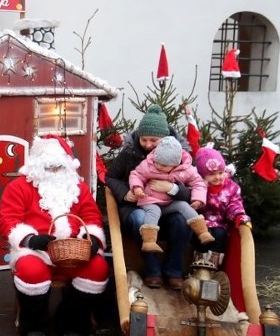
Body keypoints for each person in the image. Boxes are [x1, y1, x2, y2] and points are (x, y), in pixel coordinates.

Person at [0, 135, 109, 336]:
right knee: (31, 270)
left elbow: (92, 217)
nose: (55, 173)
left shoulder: (78, 188)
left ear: (67, 166)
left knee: (98, 268)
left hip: (75, 249)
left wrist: (92, 239)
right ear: (37, 166)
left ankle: (72, 321)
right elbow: (8, 219)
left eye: (59, 168)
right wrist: (30, 239)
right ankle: (34, 323)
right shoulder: (19, 187)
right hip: (35, 250)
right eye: (49, 168)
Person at [104, 104, 194, 290]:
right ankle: (153, 269)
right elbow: (110, 176)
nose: (147, 145)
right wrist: (124, 193)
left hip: (168, 206)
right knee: (140, 219)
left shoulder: (178, 154)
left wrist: (172, 188)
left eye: (154, 140)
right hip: (137, 205)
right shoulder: (130, 152)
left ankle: (174, 270)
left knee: (182, 221)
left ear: (165, 138)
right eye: (144, 139)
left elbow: (194, 187)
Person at [128, 136, 214, 253]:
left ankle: (203, 232)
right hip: (150, 200)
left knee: (183, 205)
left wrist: (198, 199)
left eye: (163, 165)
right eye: (157, 163)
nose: (158, 166)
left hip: (170, 202)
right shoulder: (148, 165)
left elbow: (198, 183)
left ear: (176, 164)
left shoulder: (186, 170)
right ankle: (149, 241)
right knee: (154, 211)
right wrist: (137, 187)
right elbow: (136, 174)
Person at [193, 145, 251, 266]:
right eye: (212, 174)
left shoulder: (231, 187)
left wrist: (239, 215)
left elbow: (234, 203)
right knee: (201, 235)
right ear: (203, 175)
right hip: (200, 222)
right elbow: (194, 204)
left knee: (220, 234)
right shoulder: (198, 186)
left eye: (221, 172)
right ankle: (198, 263)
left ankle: (213, 264)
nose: (218, 177)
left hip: (220, 223)